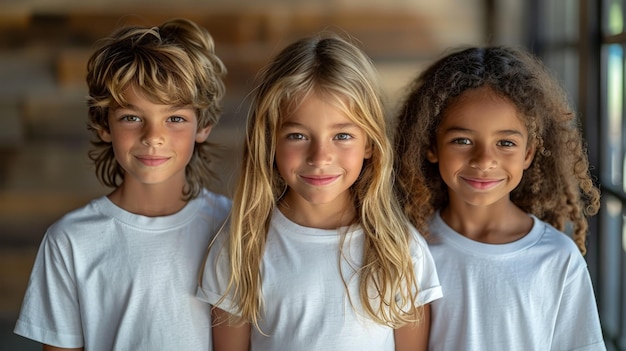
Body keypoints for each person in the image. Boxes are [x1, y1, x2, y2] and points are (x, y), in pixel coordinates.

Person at [197, 32, 442, 351]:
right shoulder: (240, 249)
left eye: (342, 136)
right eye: (298, 136)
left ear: (369, 143)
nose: (320, 157)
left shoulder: (401, 253)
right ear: (270, 140)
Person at [14, 18, 231, 350]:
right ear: (104, 124)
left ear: (204, 126)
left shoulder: (232, 226)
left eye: (175, 118)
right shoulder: (71, 240)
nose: (153, 137)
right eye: (132, 117)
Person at [393, 45, 605, 350]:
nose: (484, 160)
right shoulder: (409, 250)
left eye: (505, 142)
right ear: (432, 146)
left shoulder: (557, 258)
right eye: (462, 140)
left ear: (528, 153)